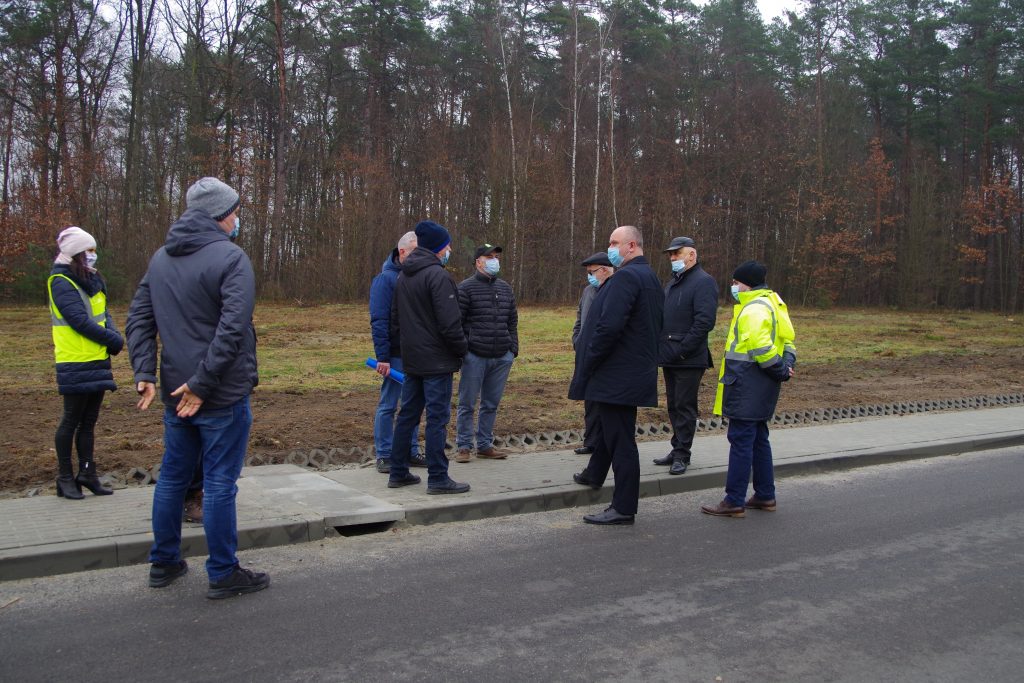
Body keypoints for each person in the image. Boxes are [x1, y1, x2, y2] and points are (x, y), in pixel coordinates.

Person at [127, 176, 269, 599]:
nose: (238, 219)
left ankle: (164, 562)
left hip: (175, 392)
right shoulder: (231, 257)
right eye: (236, 212)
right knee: (220, 483)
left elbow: (138, 318)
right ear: (224, 215)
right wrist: (203, 385)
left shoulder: (161, 258)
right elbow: (232, 329)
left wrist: (145, 373)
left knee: (172, 478)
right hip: (219, 394)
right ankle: (224, 571)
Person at [569, 226, 663, 525]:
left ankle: (623, 507)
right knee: (612, 433)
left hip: (616, 374)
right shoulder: (649, 277)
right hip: (632, 371)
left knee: (621, 441)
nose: (609, 248)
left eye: (613, 243)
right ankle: (595, 474)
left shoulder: (627, 277)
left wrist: (590, 360)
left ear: (631, 245)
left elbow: (608, 327)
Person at [701, 261, 796, 518]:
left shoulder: (753, 308)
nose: (733, 287)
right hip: (763, 386)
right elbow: (788, 340)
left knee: (741, 441)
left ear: (747, 283)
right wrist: (786, 367)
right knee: (759, 440)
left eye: (736, 283)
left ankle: (733, 501)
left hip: (746, 384)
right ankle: (765, 495)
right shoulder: (774, 302)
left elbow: (760, 346)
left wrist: (778, 369)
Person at [387, 220, 471, 494]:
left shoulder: (403, 275)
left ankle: (397, 471)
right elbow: (450, 323)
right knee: (437, 418)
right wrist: (462, 349)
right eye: (447, 245)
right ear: (438, 247)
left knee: (408, 415)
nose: (449, 250)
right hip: (437, 361)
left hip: (413, 360)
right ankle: (438, 477)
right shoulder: (438, 276)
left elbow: (396, 320)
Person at [47, 226, 123, 500]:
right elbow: (79, 321)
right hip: (74, 360)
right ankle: (65, 477)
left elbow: (103, 314)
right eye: (88, 251)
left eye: (94, 250)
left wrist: (113, 334)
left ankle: (87, 474)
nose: (93, 255)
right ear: (76, 253)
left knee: (89, 421)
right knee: (71, 420)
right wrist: (112, 340)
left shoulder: (92, 280)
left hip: (96, 359)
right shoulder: (61, 281)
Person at [654, 236, 718, 475]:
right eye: (671, 255)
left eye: (677, 254)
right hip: (669, 356)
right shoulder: (672, 283)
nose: (672, 259)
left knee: (685, 406)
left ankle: (683, 454)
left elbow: (704, 322)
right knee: (673, 405)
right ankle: (676, 448)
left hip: (689, 359)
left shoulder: (704, 282)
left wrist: (682, 351)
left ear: (691, 255)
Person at [455, 243, 519, 463]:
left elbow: (512, 320)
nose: (494, 260)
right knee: (467, 403)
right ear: (478, 262)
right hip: (475, 356)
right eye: (489, 257)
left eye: (496, 257)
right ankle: (463, 446)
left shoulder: (505, 288)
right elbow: (458, 322)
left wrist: (513, 349)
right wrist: (465, 350)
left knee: (491, 403)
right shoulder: (465, 288)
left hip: (502, 355)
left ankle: (484, 444)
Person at [369, 231, 425, 473]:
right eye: (414, 252)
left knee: (412, 405)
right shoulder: (385, 280)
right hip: (394, 354)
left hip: (415, 353)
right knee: (389, 404)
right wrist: (382, 357)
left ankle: (411, 450)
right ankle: (384, 454)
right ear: (402, 252)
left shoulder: (415, 278)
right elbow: (379, 319)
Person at [571, 252, 614, 455]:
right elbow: (580, 317)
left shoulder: (616, 290)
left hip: (607, 356)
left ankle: (606, 442)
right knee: (590, 400)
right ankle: (591, 441)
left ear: (605, 270)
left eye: (592, 272)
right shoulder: (588, 291)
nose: (589, 276)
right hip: (585, 354)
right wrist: (577, 340)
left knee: (605, 402)